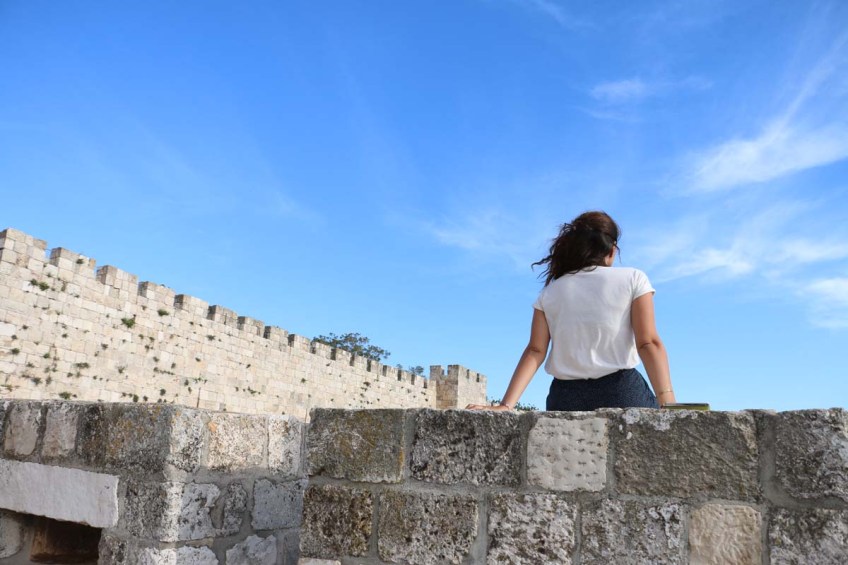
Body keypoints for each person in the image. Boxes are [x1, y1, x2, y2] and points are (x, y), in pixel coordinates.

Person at [467, 210, 675, 412]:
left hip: (565, 397)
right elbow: (648, 343)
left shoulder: (550, 292)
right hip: (621, 391)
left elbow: (535, 350)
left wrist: (506, 405)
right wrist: (670, 405)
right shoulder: (634, 278)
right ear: (612, 250)